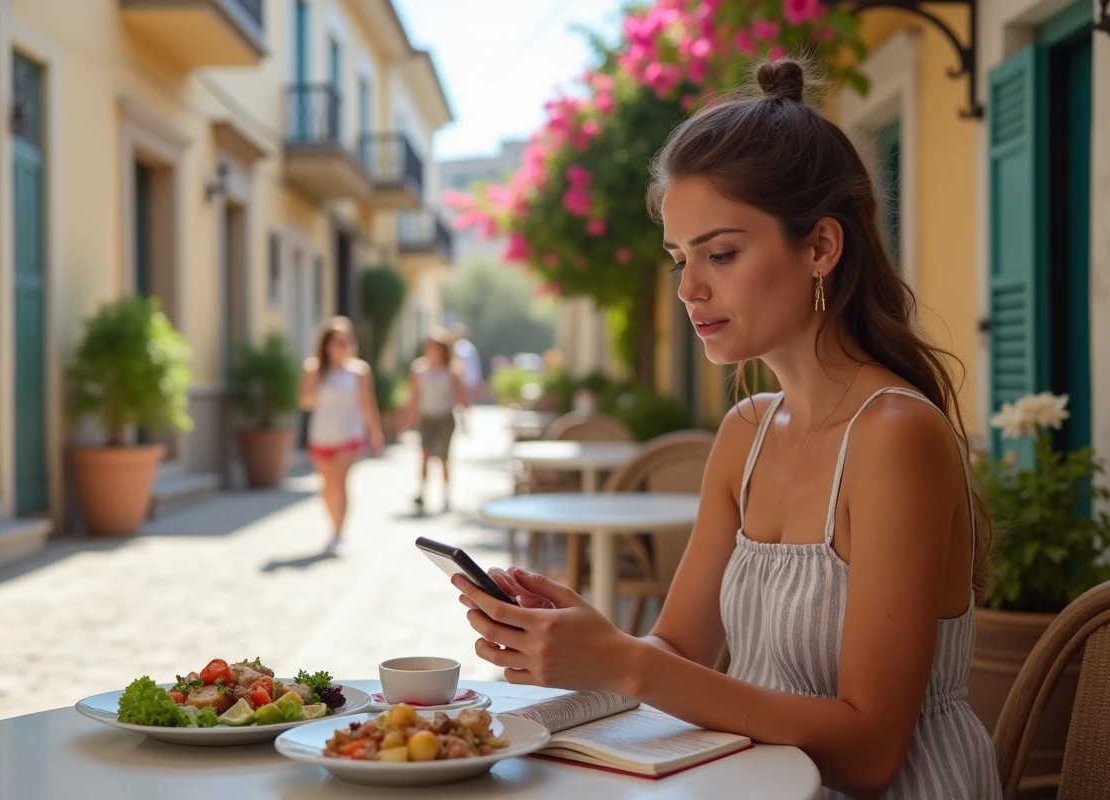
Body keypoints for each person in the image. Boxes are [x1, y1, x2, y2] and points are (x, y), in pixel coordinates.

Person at [449, 59, 1000, 800]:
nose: (689, 288)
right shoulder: (745, 431)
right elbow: (681, 651)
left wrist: (627, 664)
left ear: (821, 248)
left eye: (722, 253)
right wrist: (588, 641)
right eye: (681, 257)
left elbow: (871, 753)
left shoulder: (895, 436)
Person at [299, 316, 383, 557]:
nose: (342, 346)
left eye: (346, 341)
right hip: (321, 436)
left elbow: (368, 404)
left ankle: (338, 534)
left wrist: (374, 432)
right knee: (327, 488)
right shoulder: (313, 368)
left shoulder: (359, 371)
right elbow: (305, 402)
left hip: (349, 435)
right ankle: (332, 528)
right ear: (326, 344)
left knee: (339, 483)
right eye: (337, 341)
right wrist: (314, 382)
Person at [406, 327, 469, 513]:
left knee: (444, 458)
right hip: (426, 418)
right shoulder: (419, 369)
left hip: (445, 418)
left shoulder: (452, 370)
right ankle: (422, 492)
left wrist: (465, 419)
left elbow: (460, 396)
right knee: (424, 456)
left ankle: (446, 494)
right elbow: (414, 397)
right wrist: (409, 419)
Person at [449, 323, 483, 403]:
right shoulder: (453, 346)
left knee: (467, 399)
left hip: (468, 378)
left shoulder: (467, 347)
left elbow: (473, 364)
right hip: (458, 378)